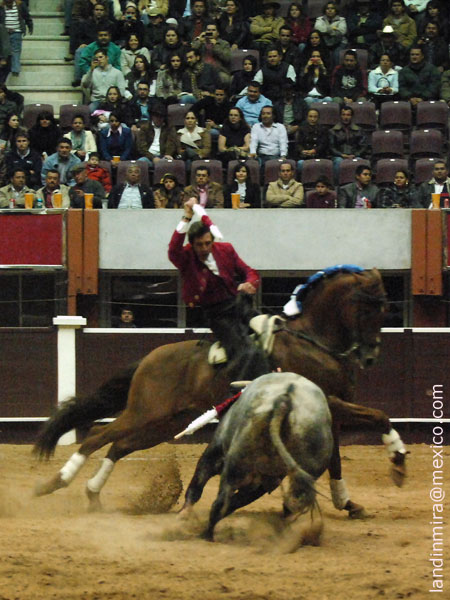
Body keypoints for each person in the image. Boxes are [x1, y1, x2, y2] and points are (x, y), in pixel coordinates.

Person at [168, 198, 269, 380]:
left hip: (240, 305)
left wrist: (250, 283)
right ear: (191, 244)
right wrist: (186, 217)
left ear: (212, 240)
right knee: (246, 351)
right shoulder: (186, 257)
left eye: (208, 243)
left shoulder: (226, 249)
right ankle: (242, 388)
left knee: (272, 332)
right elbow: (173, 250)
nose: (204, 248)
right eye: (199, 245)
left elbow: (249, 272)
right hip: (217, 315)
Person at [329, 105, 368, 178]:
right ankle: (337, 183)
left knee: (360, 161)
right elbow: (332, 147)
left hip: (355, 155)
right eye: (343, 115)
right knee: (338, 161)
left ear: (352, 116)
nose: (345, 117)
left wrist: (355, 154)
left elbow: (363, 146)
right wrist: (341, 155)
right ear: (340, 116)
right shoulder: (333, 131)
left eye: (348, 115)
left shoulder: (359, 130)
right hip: (339, 156)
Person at [0, 0, 33, 76]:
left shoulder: (20, 5)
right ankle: (4, 62)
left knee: (16, 50)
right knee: (5, 48)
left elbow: (26, 16)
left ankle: (15, 69)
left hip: (16, 31)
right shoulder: (1, 7)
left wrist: (30, 24)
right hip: (4, 32)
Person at [296, 107, 329, 174]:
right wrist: (302, 151)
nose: (312, 119)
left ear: (318, 118)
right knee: (300, 163)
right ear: (307, 117)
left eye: (315, 117)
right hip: (305, 156)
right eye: (310, 116)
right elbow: (298, 143)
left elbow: (324, 144)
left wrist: (314, 150)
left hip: (319, 155)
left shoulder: (323, 129)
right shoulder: (302, 129)